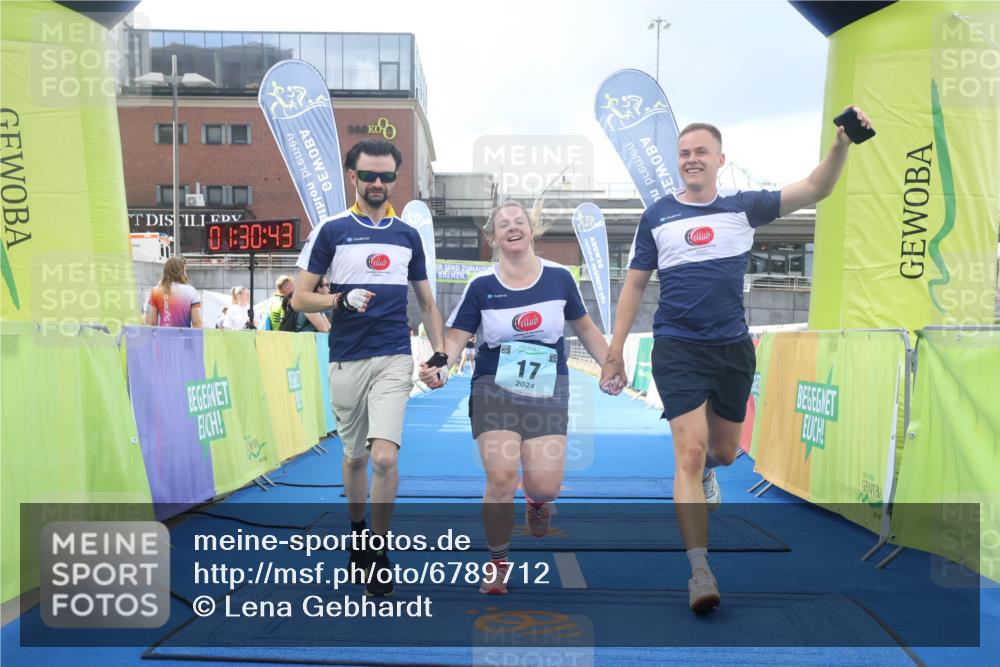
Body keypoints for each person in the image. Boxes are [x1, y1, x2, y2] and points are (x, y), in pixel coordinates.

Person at [599, 107, 872, 613]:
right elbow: (634, 285)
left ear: (720, 160)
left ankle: (709, 474)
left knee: (722, 454)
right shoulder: (658, 215)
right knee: (688, 452)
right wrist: (614, 351)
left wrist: (841, 145)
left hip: (731, 349)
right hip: (677, 347)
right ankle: (700, 570)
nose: (692, 159)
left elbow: (816, 188)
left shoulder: (745, 207)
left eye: (701, 152)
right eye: (684, 153)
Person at [420, 200, 610, 595]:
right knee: (502, 477)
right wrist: (440, 364)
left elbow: (586, 328)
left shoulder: (559, 278)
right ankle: (498, 563)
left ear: (530, 229)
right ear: (493, 238)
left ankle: (536, 503)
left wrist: (612, 364)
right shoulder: (481, 286)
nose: (512, 227)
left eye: (518, 221)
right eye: (503, 224)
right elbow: (455, 337)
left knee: (544, 487)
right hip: (494, 388)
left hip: (548, 389)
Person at [291, 138, 445, 596]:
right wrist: (338, 299)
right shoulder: (331, 230)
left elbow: (427, 303)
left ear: (395, 179)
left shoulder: (407, 235)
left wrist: (439, 354)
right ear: (352, 176)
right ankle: (358, 533)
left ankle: (378, 551)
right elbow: (299, 298)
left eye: (387, 176)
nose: (378, 183)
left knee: (384, 457)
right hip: (346, 358)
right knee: (356, 457)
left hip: (394, 356)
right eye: (369, 175)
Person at [144, 256, 202, 328]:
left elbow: (151, 323)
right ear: (182, 271)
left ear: (165, 271)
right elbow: (197, 323)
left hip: (163, 334)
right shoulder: (191, 291)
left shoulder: (156, 291)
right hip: (184, 335)